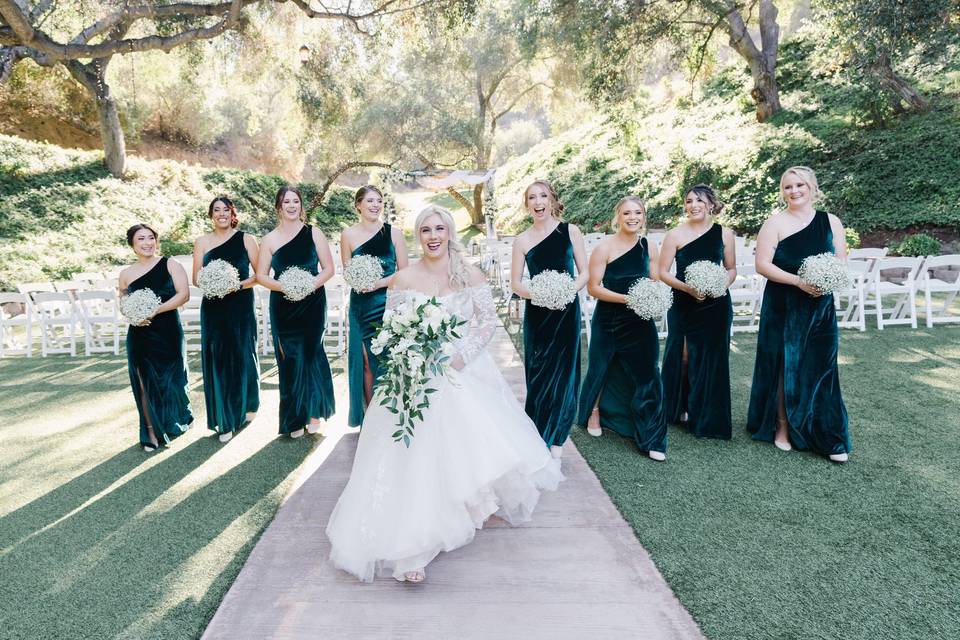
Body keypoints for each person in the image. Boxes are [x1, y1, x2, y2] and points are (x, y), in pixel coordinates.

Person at [326, 206, 562, 583]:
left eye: (439, 228)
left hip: (459, 368)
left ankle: (453, 512)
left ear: (450, 233)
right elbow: (391, 328)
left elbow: (486, 323)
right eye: (425, 230)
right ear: (417, 236)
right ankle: (415, 543)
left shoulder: (470, 274)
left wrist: (459, 358)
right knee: (412, 450)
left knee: (458, 438)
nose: (433, 235)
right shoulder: (403, 278)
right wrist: (411, 357)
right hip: (413, 372)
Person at [747, 166, 852, 462]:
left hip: (820, 306)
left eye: (800, 185)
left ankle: (830, 435)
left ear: (812, 188)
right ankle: (782, 428)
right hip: (784, 303)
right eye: (788, 187)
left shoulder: (831, 221)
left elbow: (840, 260)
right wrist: (799, 282)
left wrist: (827, 280)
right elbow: (762, 265)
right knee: (784, 364)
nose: (794, 191)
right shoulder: (774, 223)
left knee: (824, 367)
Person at [577, 197, 667, 461]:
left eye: (637, 212)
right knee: (601, 367)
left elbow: (655, 280)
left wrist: (652, 296)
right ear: (618, 216)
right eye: (627, 213)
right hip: (609, 319)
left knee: (649, 374)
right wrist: (628, 299)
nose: (632, 217)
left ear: (643, 216)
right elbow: (594, 287)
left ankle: (651, 437)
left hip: (640, 320)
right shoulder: (604, 248)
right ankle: (594, 412)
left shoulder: (649, 246)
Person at [510, 180, 587, 457]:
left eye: (543, 196)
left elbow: (585, 275)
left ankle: (557, 438)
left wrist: (565, 292)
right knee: (539, 373)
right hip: (538, 313)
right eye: (532, 197)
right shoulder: (522, 240)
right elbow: (516, 284)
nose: (538, 201)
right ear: (527, 204)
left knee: (565, 374)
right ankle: (537, 431)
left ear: (552, 199)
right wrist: (540, 294)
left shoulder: (571, 231)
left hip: (566, 310)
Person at [255, 186, 336, 437]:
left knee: (311, 354)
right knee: (289, 357)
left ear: (301, 206)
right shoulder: (269, 239)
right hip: (283, 305)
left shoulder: (314, 233)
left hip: (312, 303)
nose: (292, 205)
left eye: (296, 201)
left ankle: (313, 413)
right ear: (279, 206)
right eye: (286, 201)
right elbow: (260, 275)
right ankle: (294, 418)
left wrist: (307, 285)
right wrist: (286, 287)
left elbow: (328, 269)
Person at [658, 184, 736, 439]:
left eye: (699, 201)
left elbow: (731, 269)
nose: (693, 206)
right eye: (689, 201)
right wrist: (689, 289)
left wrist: (718, 285)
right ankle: (678, 406)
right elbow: (663, 272)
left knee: (713, 357)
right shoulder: (675, 235)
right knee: (683, 356)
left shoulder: (724, 234)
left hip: (716, 305)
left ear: (710, 204)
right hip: (684, 302)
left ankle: (705, 413)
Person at [118, 224, 193, 451]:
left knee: (173, 379)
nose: (147, 243)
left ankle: (175, 419)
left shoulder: (171, 264)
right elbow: (122, 303)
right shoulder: (126, 274)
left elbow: (184, 295)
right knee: (143, 381)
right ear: (132, 244)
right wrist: (133, 315)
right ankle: (149, 430)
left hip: (168, 330)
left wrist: (154, 310)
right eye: (141, 239)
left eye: (151, 238)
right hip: (139, 333)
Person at [192, 197, 261, 443]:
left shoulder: (246, 239)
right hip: (213, 307)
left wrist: (235, 285)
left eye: (226, 210)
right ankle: (225, 418)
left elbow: (260, 274)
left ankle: (247, 404)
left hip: (240, 303)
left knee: (243, 354)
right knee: (218, 358)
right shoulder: (201, 242)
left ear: (233, 214)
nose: (221, 214)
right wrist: (216, 284)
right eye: (216, 210)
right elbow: (196, 279)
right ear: (211, 215)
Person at [340, 185, 408, 427]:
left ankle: (394, 414)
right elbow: (348, 273)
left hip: (389, 304)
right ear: (358, 204)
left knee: (390, 359)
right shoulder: (347, 235)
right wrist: (359, 282)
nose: (375, 205)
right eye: (369, 200)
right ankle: (372, 418)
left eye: (379, 201)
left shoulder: (394, 233)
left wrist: (376, 282)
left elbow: (405, 273)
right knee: (366, 361)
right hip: (361, 306)